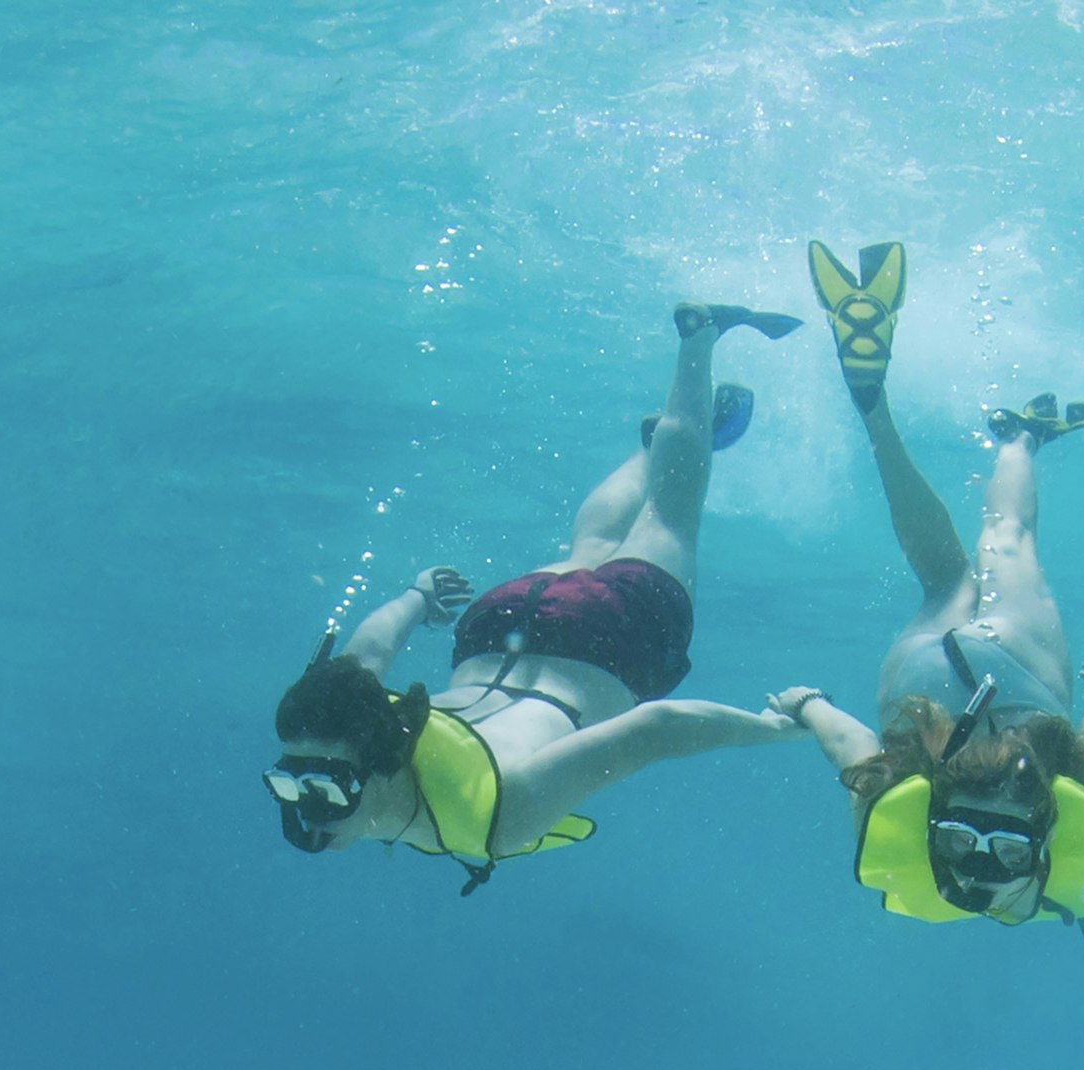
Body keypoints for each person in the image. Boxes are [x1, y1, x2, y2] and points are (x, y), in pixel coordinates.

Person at [266, 302, 813, 895]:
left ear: (376, 769)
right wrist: (416, 597)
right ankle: (653, 445)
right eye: (291, 783)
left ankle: (700, 337)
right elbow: (362, 657)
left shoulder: (500, 817)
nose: (308, 811)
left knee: (670, 516)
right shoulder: (360, 718)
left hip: (614, 641)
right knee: (594, 541)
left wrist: (772, 729)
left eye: (323, 789)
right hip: (500, 622)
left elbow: (657, 727)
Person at [769, 240, 1084, 978]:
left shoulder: (1073, 819)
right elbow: (849, 748)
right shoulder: (893, 823)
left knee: (1008, 538)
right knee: (941, 578)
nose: (990, 850)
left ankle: (1021, 437)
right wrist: (806, 702)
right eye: (1004, 852)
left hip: (1021, 667)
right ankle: (876, 414)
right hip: (918, 676)